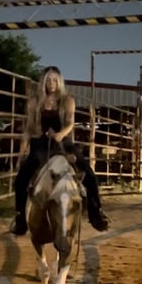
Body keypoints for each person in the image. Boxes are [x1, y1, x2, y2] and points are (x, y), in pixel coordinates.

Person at [9, 66, 111, 235]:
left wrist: (60, 134)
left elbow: (70, 122)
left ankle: (97, 214)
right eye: (48, 80)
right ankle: (20, 218)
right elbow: (28, 128)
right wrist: (21, 153)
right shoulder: (34, 102)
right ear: (43, 82)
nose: (51, 83)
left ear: (60, 81)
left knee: (90, 175)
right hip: (41, 145)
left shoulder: (67, 100)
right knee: (21, 179)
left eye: (55, 80)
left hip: (64, 143)